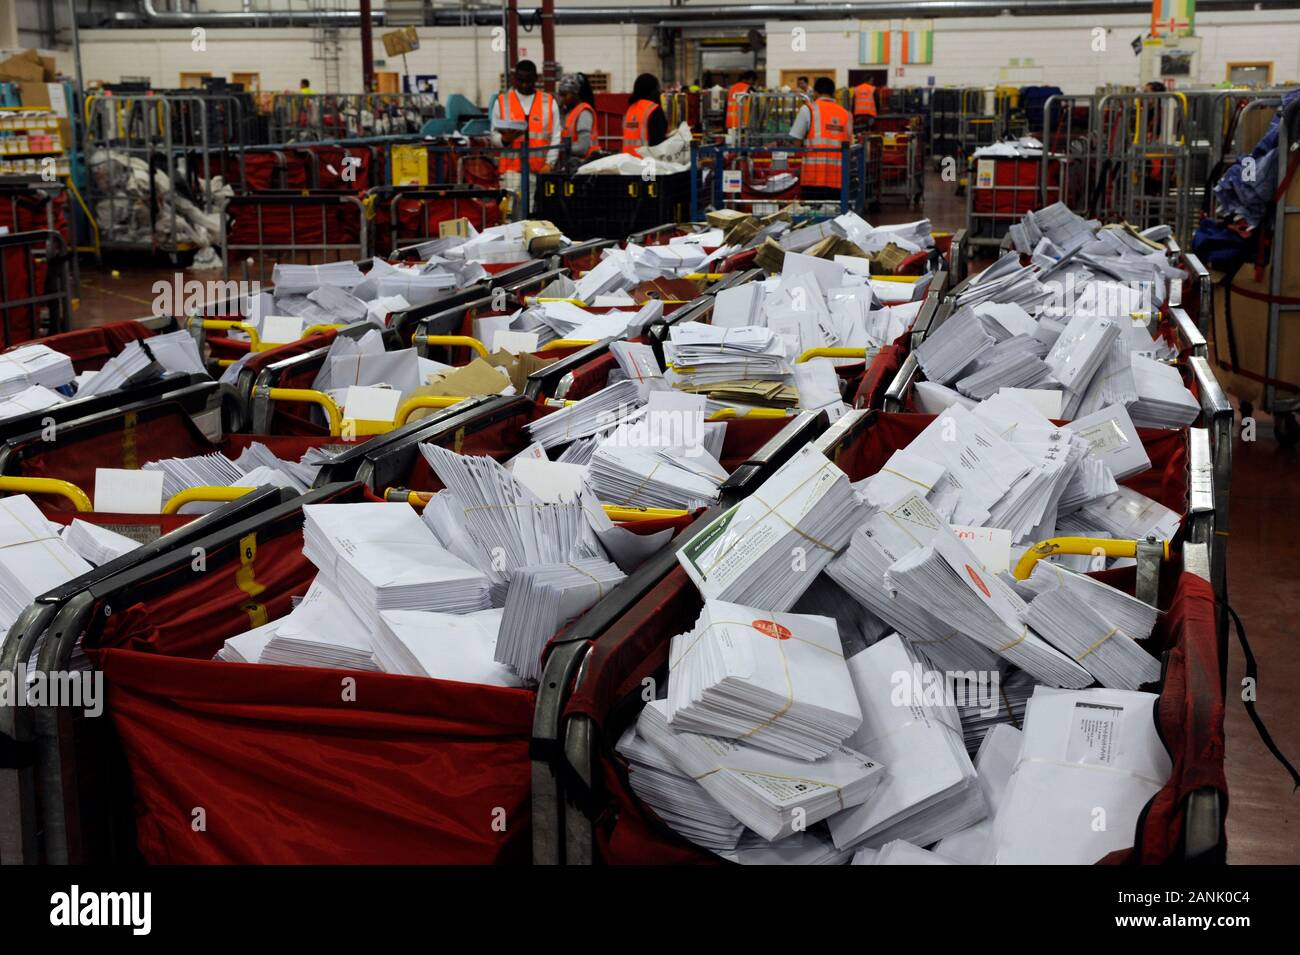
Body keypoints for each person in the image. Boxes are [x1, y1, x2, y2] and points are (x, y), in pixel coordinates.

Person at [490, 59, 561, 209]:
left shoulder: (548, 102)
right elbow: (493, 136)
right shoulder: (502, 102)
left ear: (536, 78)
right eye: (520, 81)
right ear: (515, 79)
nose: (524, 85)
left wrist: (549, 163)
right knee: (510, 215)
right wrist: (504, 140)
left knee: (536, 215)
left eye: (528, 81)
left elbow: (555, 136)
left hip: (540, 171)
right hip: (511, 172)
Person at [790, 76, 852, 201]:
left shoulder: (808, 109)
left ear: (815, 92)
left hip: (812, 178)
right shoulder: (846, 114)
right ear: (833, 93)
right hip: (837, 178)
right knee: (835, 216)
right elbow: (848, 144)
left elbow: (796, 140)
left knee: (812, 215)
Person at [623, 73, 668, 156]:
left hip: (627, 163)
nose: (659, 92)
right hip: (645, 164)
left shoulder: (630, 110)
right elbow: (659, 144)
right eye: (657, 88)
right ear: (652, 90)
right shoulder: (654, 109)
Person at [558, 72, 598, 161]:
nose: (562, 99)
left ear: (576, 94)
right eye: (560, 95)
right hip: (573, 164)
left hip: (585, 165)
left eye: (565, 95)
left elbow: (582, 148)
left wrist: (557, 149)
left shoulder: (584, 112)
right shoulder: (569, 112)